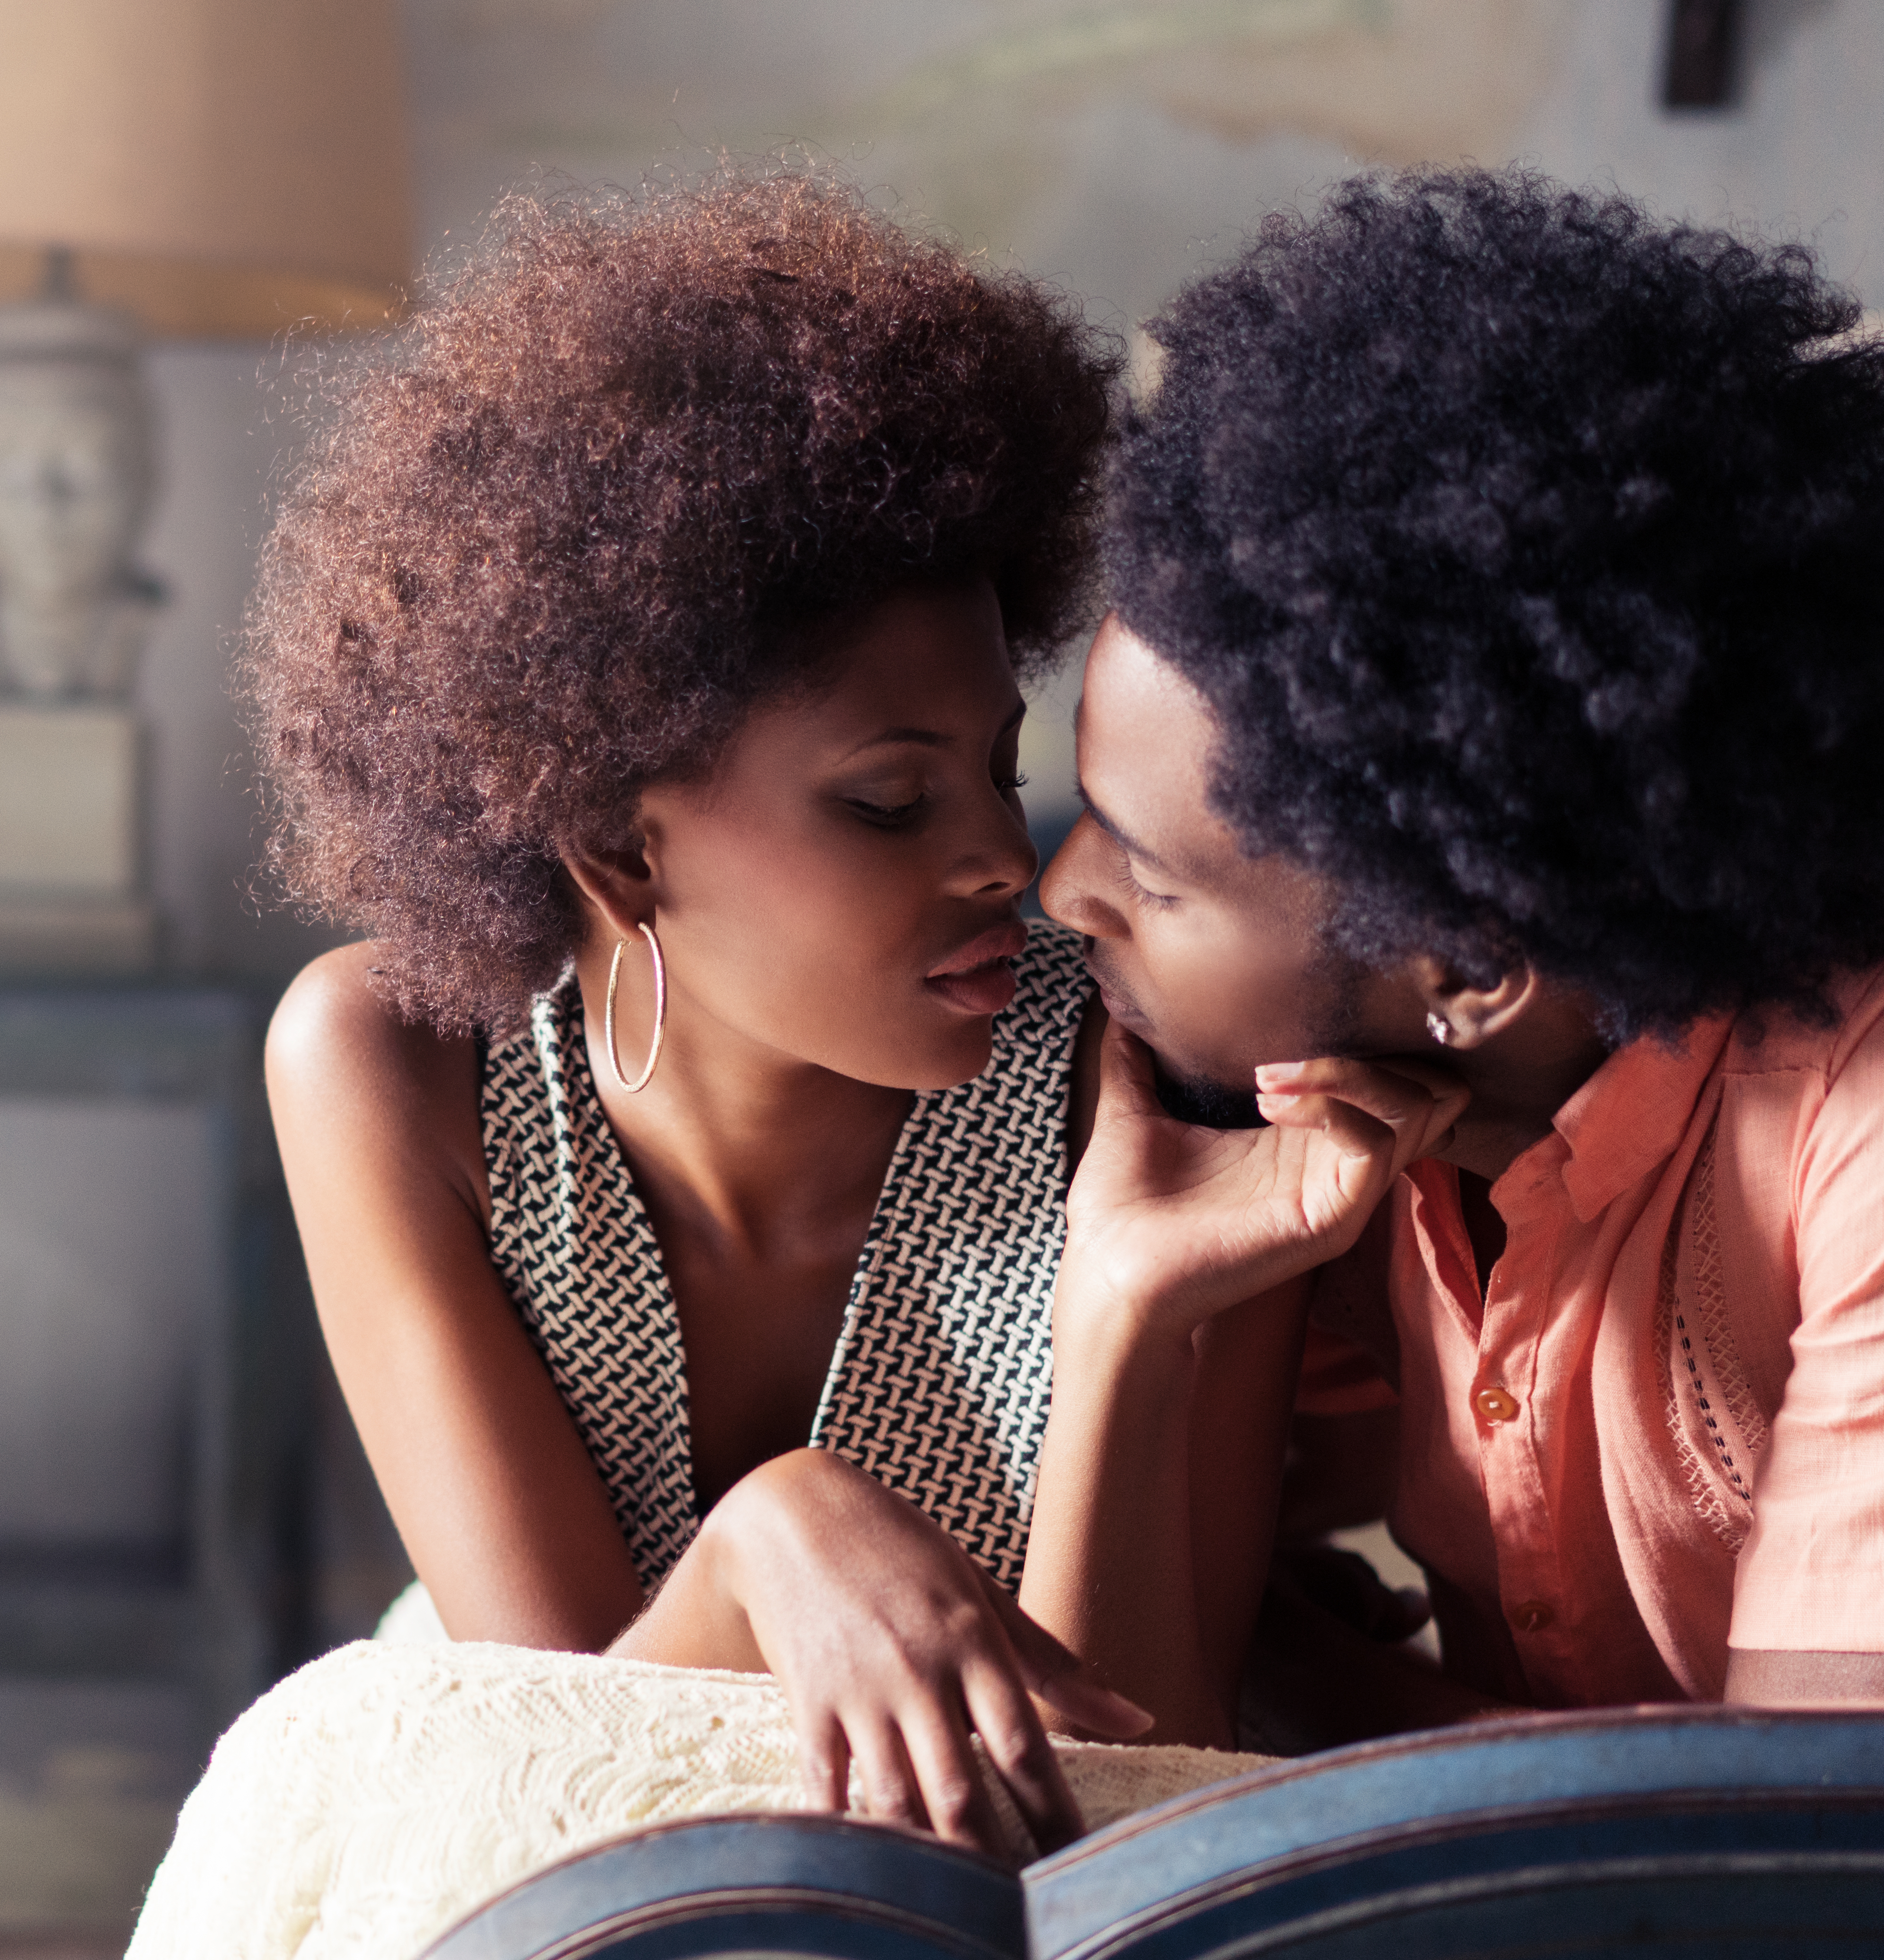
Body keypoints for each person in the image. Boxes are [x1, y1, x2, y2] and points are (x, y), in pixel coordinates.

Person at [1035, 166, 1884, 1730]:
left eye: (1149, 874)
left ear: (1469, 969)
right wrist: (1126, 1308)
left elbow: (1874, 1881)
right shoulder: (1306, 1059)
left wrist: (1307, 1694)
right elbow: (1123, 1736)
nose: (1062, 900)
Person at [252, 171, 1328, 1852]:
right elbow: (564, 1776)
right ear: (616, 842)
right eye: (894, 806)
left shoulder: (1158, 1082)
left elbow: (1144, 1793)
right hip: (537, 1871)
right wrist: (777, 1536)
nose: (1013, 869)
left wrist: (1127, 1309)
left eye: (1001, 773)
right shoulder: (397, 1070)